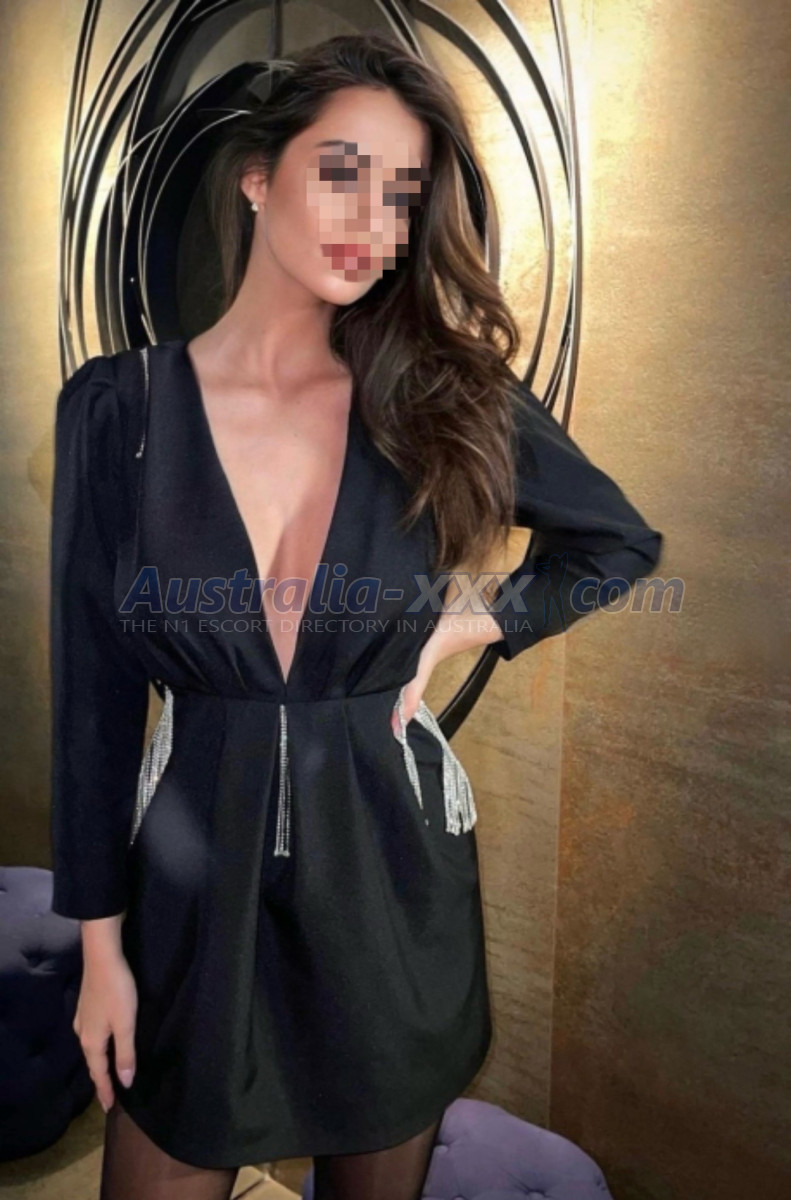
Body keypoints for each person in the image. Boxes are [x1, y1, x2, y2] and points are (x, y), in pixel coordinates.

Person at [49, 32, 663, 1200]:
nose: (372, 223)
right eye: (342, 173)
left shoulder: (437, 393)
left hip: (391, 890)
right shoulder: (118, 411)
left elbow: (616, 544)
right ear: (256, 176)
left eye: (401, 196)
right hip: (192, 898)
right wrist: (99, 948)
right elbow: (93, 705)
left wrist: (476, 621)